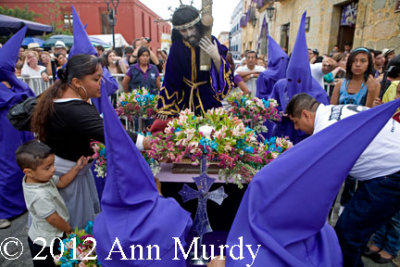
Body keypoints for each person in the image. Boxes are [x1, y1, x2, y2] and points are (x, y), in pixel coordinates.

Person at [31, 54, 150, 228]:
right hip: (67, 179)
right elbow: (112, 133)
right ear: (77, 82)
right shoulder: (72, 110)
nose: (101, 83)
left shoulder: (65, 98)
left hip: (72, 170)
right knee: (72, 227)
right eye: (96, 79)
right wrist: (145, 142)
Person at [286, 93, 400, 267]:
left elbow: (323, 180)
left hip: (391, 174)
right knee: (354, 232)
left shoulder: (325, 129)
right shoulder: (336, 109)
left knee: (347, 236)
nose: (296, 128)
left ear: (306, 115)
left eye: (295, 122)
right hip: (388, 167)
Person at [151, 5, 232, 126]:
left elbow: (224, 76)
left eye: (191, 28)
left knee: (214, 134)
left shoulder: (211, 40)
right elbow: (171, 79)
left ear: (198, 25)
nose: (189, 34)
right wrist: (166, 106)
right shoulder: (177, 47)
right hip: (185, 100)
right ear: (178, 31)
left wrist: (216, 57)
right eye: (184, 30)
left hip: (208, 99)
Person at [15, 140, 87, 267]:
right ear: (28, 172)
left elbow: (61, 182)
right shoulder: (39, 195)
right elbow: (53, 219)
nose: (53, 169)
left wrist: (77, 167)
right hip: (46, 243)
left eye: (53, 164)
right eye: (48, 167)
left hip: (51, 236)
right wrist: (69, 230)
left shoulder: (39, 178)